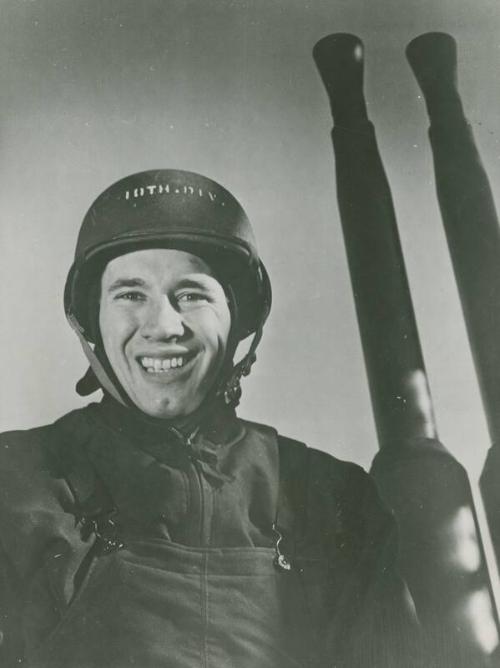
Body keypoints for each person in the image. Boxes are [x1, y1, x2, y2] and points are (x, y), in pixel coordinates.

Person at [0, 169, 424, 667]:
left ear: (237, 317)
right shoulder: (17, 482)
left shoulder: (334, 499)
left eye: (192, 294)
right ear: (93, 320)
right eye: (130, 294)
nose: (163, 326)